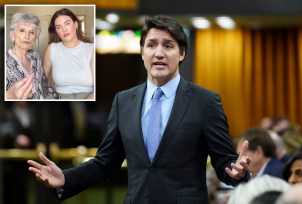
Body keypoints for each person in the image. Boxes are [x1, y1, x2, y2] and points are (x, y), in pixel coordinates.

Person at [28, 15, 251, 204]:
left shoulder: (205, 102)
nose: (159, 53)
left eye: (169, 46)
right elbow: (105, 164)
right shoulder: (124, 101)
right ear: (142, 52)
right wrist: (66, 178)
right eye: (152, 45)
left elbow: (226, 165)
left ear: (181, 54)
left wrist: (238, 172)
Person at [43, 8, 94, 100]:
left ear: (76, 24)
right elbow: (41, 81)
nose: (64, 29)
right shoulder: (52, 49)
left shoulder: (91, 49)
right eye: (59, 27)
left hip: (89, 98)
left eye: (67, 23)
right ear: (56, 31)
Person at [6, 11, 58, 100]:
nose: (27, 36)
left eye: (32, 32)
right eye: (22, 30)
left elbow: (43, 82)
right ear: (12, 35)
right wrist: (9, 95)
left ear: (35, 39)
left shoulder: (35, 56)